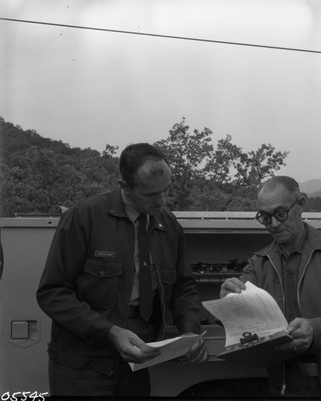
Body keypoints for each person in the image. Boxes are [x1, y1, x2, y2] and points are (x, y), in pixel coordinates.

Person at [37, 143, 207, 397]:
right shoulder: (84, 217)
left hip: (137, 364)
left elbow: (183, 287)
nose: (162, 201)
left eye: (166, 190)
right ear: (124, 186)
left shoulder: (168, 225)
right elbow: (52, 293)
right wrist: (110, 331)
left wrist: (190, 332)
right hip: (82, 367)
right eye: (151, 195)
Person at [220, 176, 321, 398]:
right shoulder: (258, 264)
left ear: (300, 205)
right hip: (289, 387)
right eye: (265, 217)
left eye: (280, 213)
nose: (274, 224)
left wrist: (317, 330)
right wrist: (230, 302)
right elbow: (244, 325)